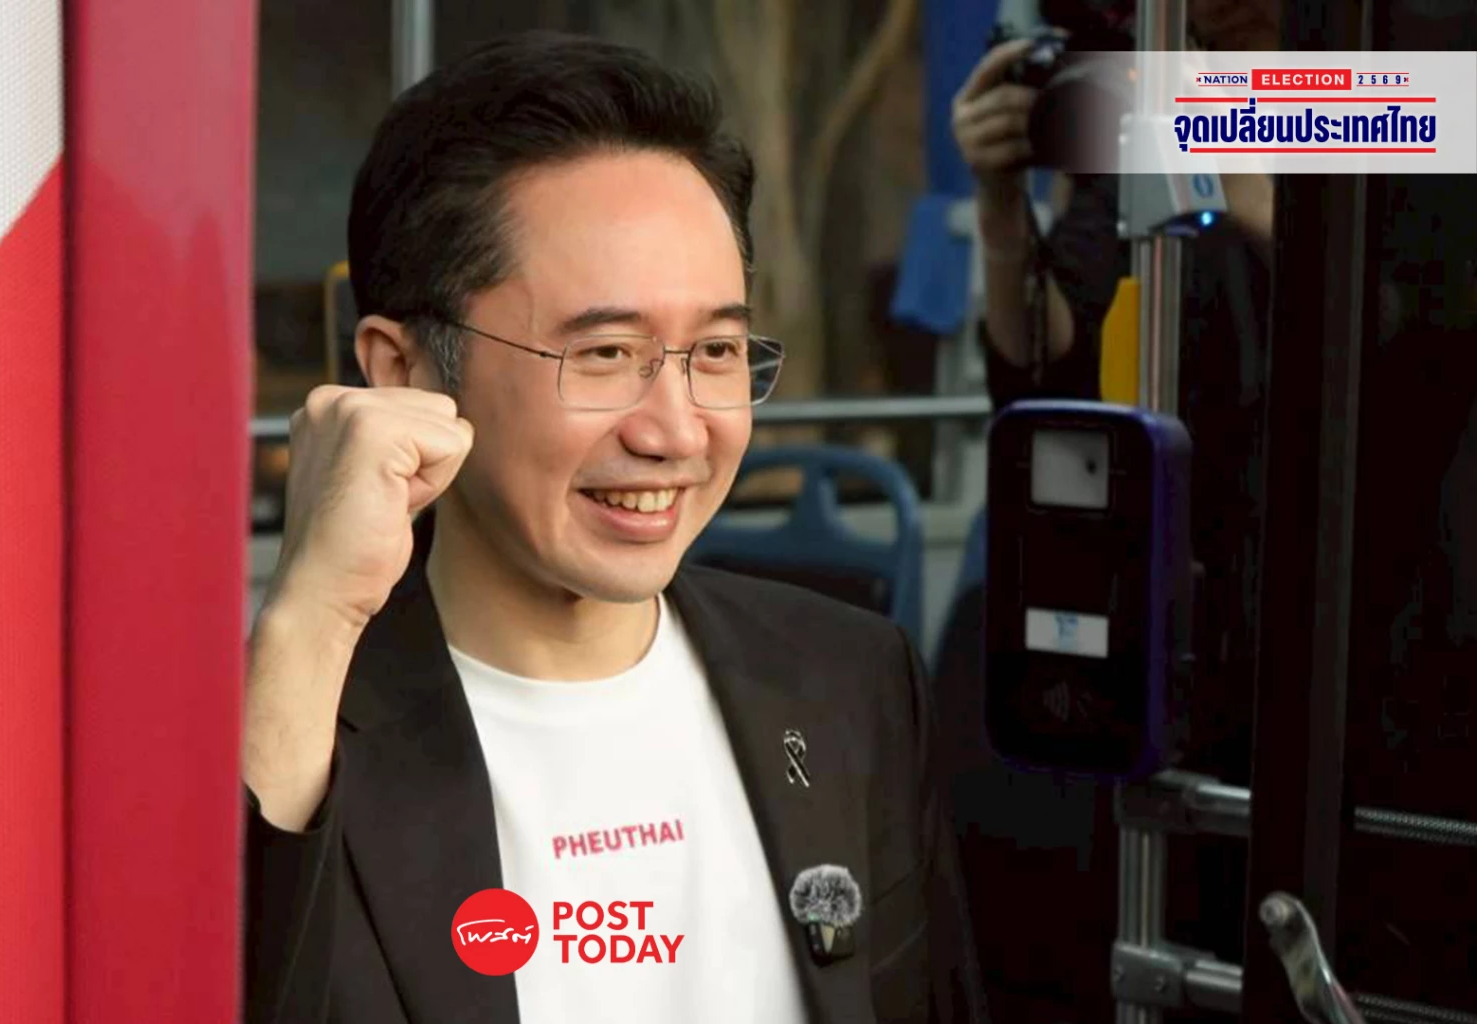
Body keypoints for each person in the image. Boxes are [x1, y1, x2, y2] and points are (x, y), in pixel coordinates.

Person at [242, 31, 987, 1024]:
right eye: (602, 354)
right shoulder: (283, 733)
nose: (674, 431)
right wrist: (311, 620)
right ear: (403, 371)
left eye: (715, 350)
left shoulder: (850, 682)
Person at [945, 0, 1279, 1002]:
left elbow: (1407, 330)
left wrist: (1244, 173)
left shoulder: (1392, 95)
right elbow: (1045, 365)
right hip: (1163, 600)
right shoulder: (1142, 112)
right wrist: (1001, 204)